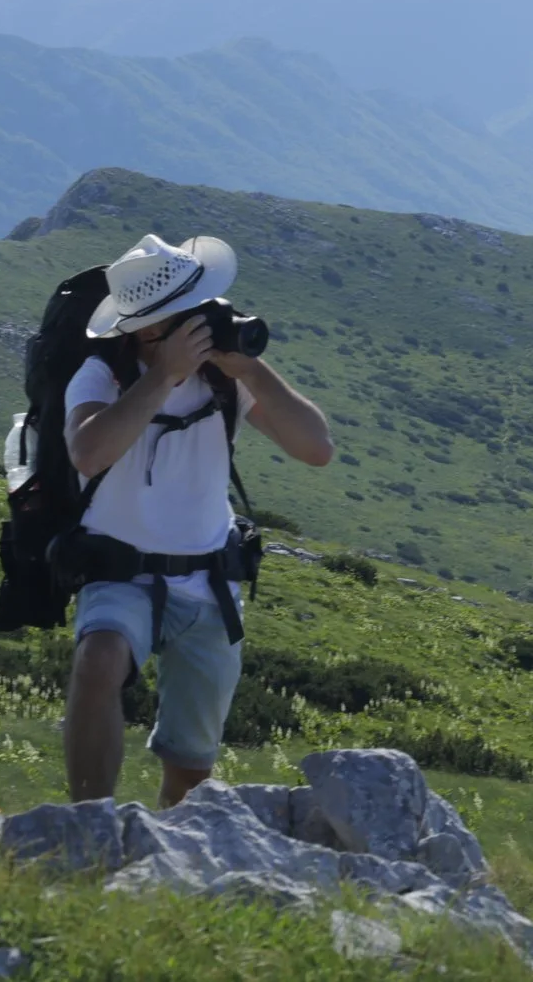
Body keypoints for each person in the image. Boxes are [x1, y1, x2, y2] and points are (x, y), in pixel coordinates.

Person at [59, 233, 333, 805]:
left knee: (189, 768)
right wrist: (161, 378)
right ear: (144, 331)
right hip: (120, 572)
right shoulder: (102, 376)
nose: (198, 330)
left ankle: (171, 863)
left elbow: (316, 448)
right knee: (98, 661)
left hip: (210, 579)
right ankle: (89, 826)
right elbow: (89, 453)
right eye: (180, 322)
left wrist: (252, 372)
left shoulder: (226, 379)